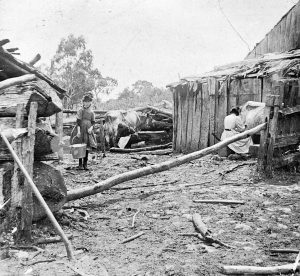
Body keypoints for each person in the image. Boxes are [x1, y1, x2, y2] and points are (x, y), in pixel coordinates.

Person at [70, 93, 97, 170]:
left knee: (87, 147)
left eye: (88, 102)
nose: (86, 103)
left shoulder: (92, 112)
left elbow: (93, 122)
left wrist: (91, 128)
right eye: (85, 101)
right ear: (83, 102)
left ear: (90, 102)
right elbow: (78, 122)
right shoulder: (80, 110)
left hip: (88, 130)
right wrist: (78, 132)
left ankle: (85, 164)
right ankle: (80, 164)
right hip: (81, 129)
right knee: (80, 146)